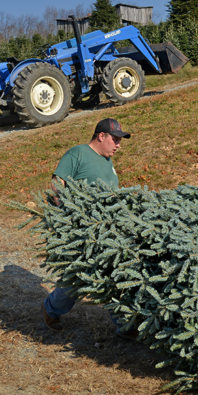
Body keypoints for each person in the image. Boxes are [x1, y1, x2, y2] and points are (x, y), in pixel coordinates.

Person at [42, 117, 131, 333]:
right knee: (77, 277)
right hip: (82, 231)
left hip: (108, 229)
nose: (118, 145)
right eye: (115, 139)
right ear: (101, 136)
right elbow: (56, 184)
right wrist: (70, 217)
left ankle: (125, 326)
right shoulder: (78, 153)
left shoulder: (108, 162)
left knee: (112, 273)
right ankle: (51, 309)